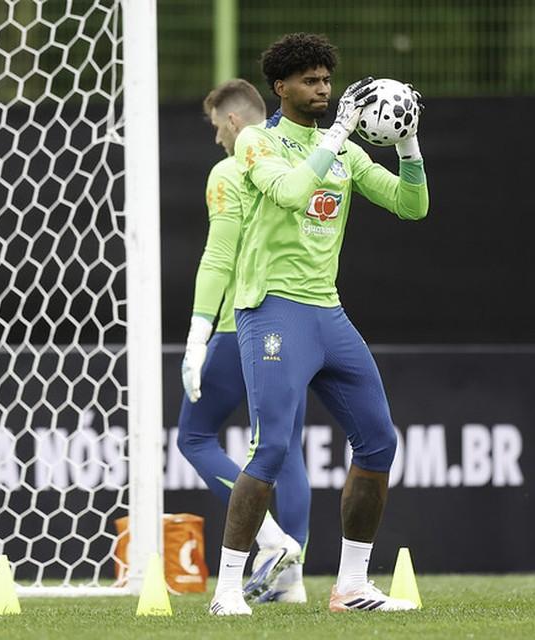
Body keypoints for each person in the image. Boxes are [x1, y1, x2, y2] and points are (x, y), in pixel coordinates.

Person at [208, 33, 429, 616]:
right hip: (272, 309)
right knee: (272, 447)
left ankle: (351, 585)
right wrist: (337, 137)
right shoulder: (257, 141)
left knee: (380, 441)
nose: (324, 90)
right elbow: (290, 191)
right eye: (310, 81)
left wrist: (407, 147)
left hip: (327, 313)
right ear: (280, 88)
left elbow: (412, 206)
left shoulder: (348, 152)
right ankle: (228, 588)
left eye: (327, 81)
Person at [178, 78, 310, 604]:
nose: (216, 140)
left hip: (243, 324)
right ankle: (292, 582)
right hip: (302, 322)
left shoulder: (231, 170)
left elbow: (219, 255)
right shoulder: (298, 163)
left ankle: (269, 539)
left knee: (194, 437)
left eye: (216, 127)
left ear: (234, 122)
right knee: (286, 449)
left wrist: (197, 333)